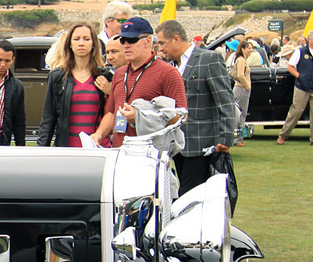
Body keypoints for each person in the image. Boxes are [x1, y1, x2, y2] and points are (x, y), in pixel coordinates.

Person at [158, 20, 237, 194]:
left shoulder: (209, 59)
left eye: (163, 43)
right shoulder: (169, 67)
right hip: (177, 145)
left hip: (203, 144)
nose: (160, 49)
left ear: (176, 39)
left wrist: (225, 138)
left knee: (190, 195)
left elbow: (225, 100)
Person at [94, 17, 188, 149]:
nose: (126, 45)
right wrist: (98, 135)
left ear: (148, 41)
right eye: (123, 40)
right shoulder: (120, 74)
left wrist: (140, 118)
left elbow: (180, 117)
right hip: (119, 151)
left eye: (131, 40)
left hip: (150, 154)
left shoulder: (168, 73)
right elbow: (111, 113)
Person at [37, 22, 105, 147]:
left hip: (97, 148)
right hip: (67, 148)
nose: (81, 43)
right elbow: (48, 118)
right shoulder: (57, 76)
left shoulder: (104, 76)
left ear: (94, 43)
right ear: (69, 44)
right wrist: (41, 149)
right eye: (76, 39)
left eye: (86, 39)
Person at [276, 29, 313, 145]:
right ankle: (283, 135)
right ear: (309, 40)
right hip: (301, 87)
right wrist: (300, 76)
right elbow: (290, 67)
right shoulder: (300, 51)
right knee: (296, 111)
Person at [231, 40, 254, 144]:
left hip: (240, 88)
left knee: (239, 113)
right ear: (243, 49)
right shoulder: (241, 60)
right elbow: (240, 75)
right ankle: (237, 139)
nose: (251, 50)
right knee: (240, 114)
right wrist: (247, 85)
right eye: (249, 48)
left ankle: (237, 138)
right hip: (241, 89)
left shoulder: (241, 59)